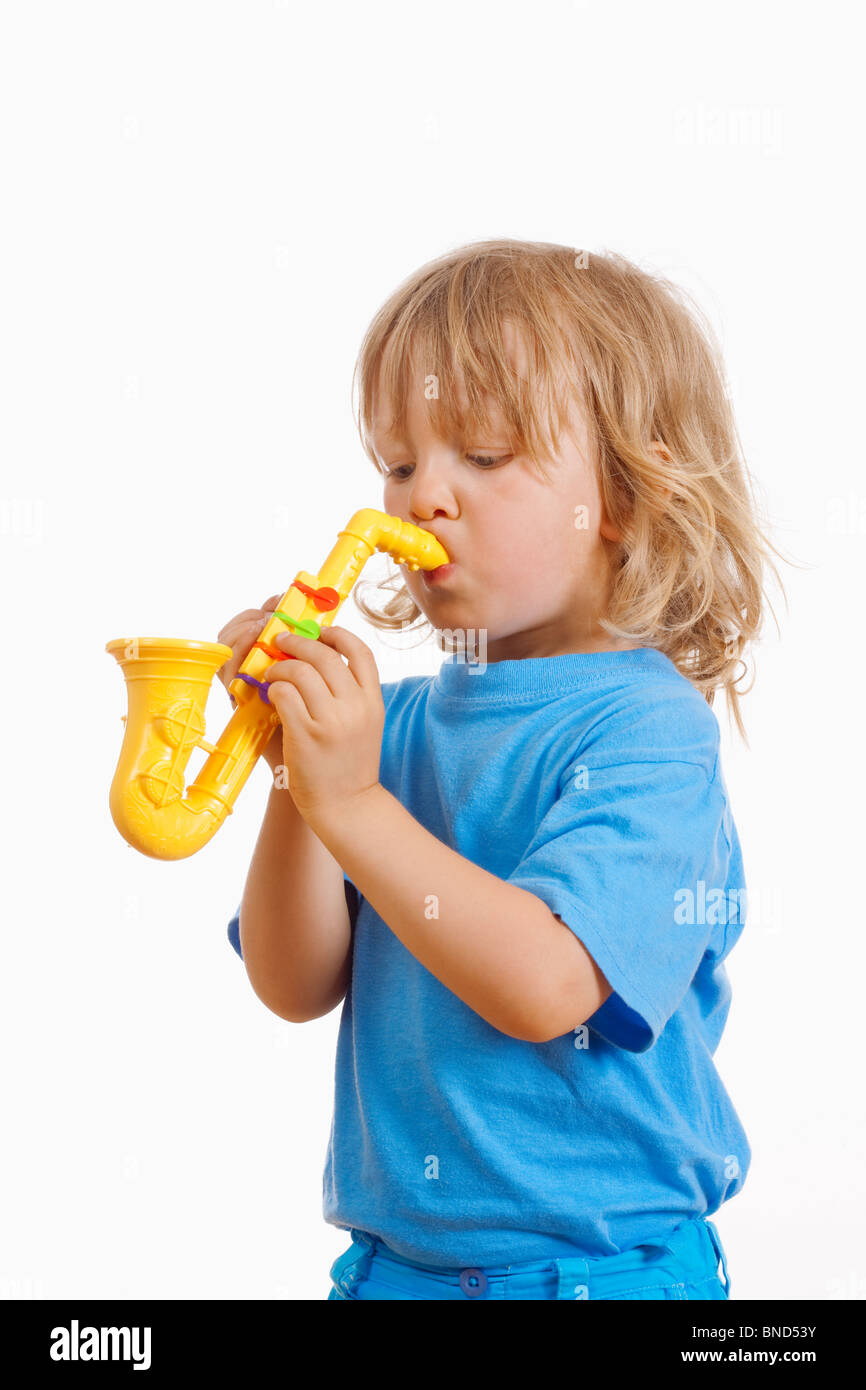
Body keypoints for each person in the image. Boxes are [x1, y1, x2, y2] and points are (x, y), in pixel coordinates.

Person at [219, 239, 784, 1300]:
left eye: (481, 454)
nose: (423, 494)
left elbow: (545, 984)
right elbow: (291, 983)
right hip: (394, 1271)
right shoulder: (378, 732)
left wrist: (349, 795)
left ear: (620, 494)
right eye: (397, 462)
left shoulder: (646, 731)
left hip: (596, 1274)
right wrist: (296, 773)